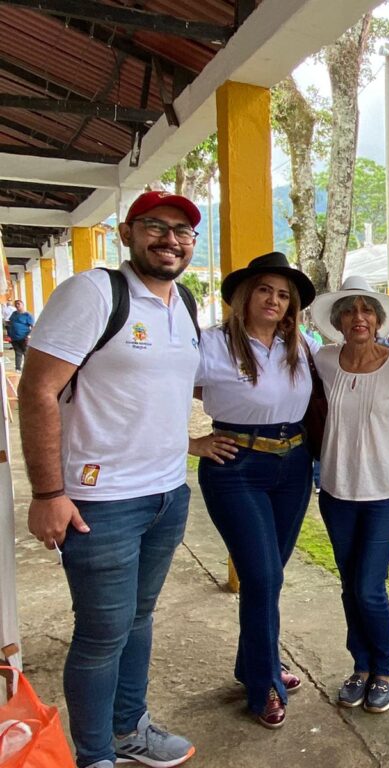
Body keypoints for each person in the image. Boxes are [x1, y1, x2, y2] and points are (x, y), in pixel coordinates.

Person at [18, 189, 203, 768]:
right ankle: (95, 754)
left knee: (139, 620)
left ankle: (129, 730)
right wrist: (49, 493)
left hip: (167, 494)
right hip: (101, 502)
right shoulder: (94, 292)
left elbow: (158, 393)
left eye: (183, 231)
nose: (170, 240)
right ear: (127, 233)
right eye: (156, 226)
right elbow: (37, 390)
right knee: (102, 634)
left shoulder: (185, 302)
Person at [188, 251, 317, 729]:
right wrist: (191, 443)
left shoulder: (299, 345)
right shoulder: (210, 344)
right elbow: (158, 391)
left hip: (294, 465)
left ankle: (253, 663)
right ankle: (264, 686)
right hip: (236, 467)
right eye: (264, 289)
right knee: (261, 578)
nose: (274, 300)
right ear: (244, 295)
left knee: (270, 576)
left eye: (283, 295)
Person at [310, 275, 389, 715]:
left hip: (383, 493)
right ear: (338, 321)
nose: (359, 317)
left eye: (367, 310)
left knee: (368, 586)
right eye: (350, 311)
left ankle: (384, 668)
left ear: (377, 320)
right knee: (348, 585)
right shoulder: (323, 360)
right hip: (337, 490)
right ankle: (359, 665)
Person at [8, 299, 34, 372]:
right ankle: (18, 368)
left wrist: (29, 336)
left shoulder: (27, 315)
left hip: (23, 337)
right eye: (16, 304)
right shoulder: (14, 313)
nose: (17, 305)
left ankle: (27, 368)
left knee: (25, 353)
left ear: (23, 305)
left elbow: (33, 327)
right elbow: (10, 322)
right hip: (14, 337)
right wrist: (9, 333)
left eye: (18, 304)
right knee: (17, 352)